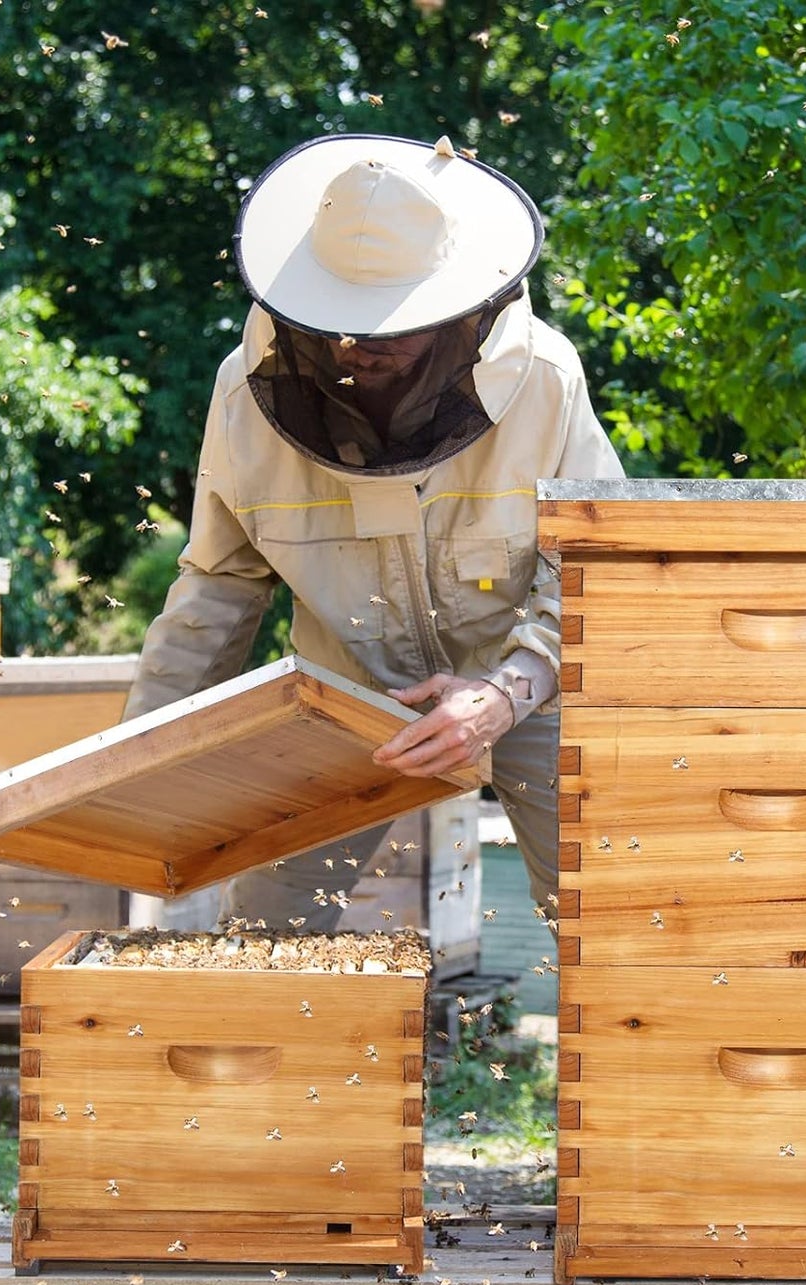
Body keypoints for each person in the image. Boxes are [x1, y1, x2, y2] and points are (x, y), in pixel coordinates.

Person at [123, 133, 623, 929]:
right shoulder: (242, 396)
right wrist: (131, 764)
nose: (364, 345)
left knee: (608, 917)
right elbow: (215, 589)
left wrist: (504, 692)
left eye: (393, 323)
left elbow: (598, 563)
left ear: (457, 304)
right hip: (345, 695)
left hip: (527, 684)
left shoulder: (546, 381)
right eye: (344, 324)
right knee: (264, 934)